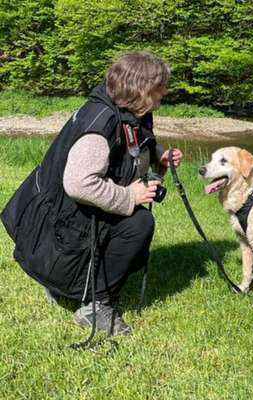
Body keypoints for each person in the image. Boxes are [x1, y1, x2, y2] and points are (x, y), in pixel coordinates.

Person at [0, 51, 183, 335]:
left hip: (65, 218)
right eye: (160, 88)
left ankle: (65, 283)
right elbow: (79, 183)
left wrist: (159, 156)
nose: (165, 93)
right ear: (142, 90)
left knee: (135, 222)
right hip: (60, 227)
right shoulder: (101, 124)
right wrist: (129, 197)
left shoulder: (126, 111)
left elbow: (129, 146)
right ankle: (94, 306)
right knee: (139, 224)